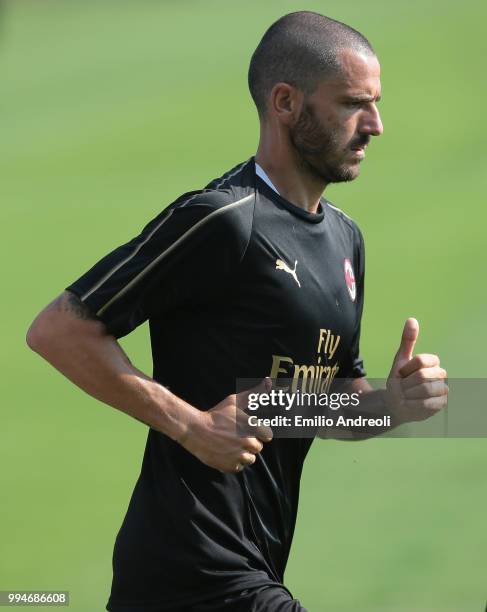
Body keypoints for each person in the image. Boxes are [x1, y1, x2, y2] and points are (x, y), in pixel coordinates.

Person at [26, 11, 448, 612]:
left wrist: (391, 406)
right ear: (285, 102)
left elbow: (314, 404)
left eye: (376, 104)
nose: (376, 125)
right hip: (192, 568)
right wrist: (191, 426)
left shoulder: (345, 240)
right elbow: (58, 331)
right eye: (354, 104)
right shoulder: (224, 220)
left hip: (252, 565)